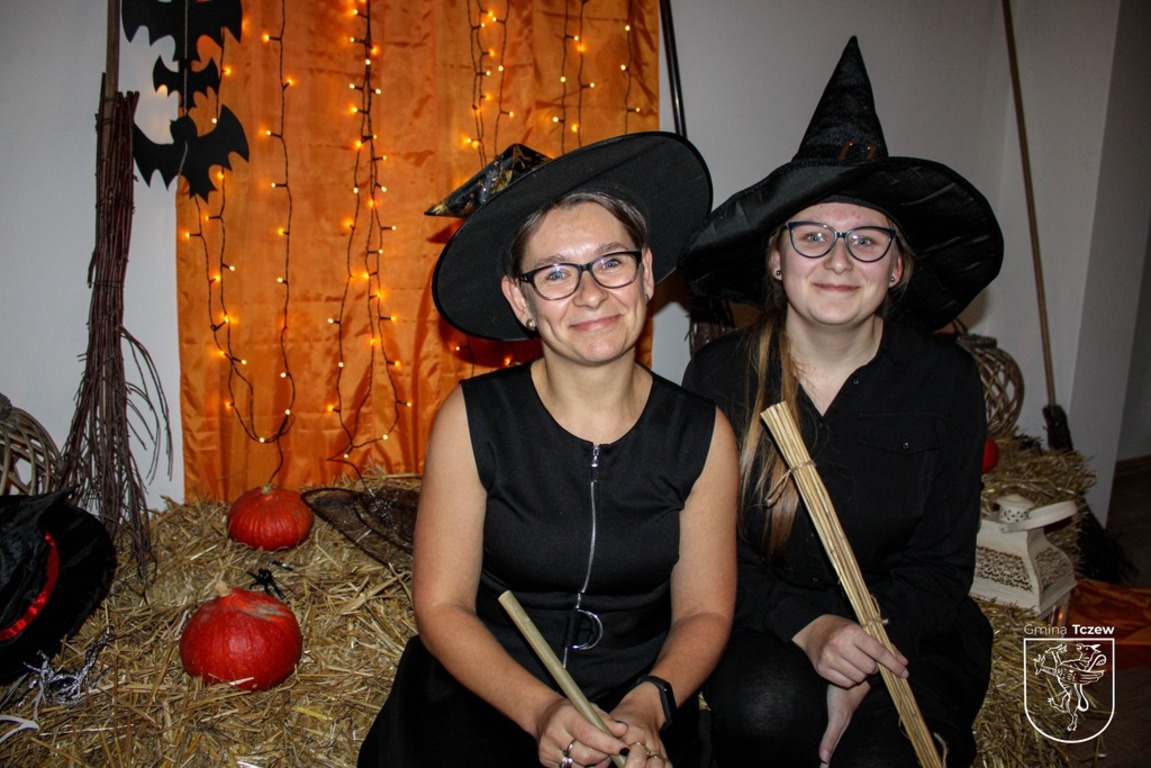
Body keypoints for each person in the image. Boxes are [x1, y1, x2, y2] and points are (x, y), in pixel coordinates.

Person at [358, 132, 738, 768]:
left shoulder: (702, 434)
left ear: (646, 273)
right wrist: (540, 709)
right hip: (486, 693)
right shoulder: (473, 419)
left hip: (635, 706)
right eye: (556, 273)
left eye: (611, 262)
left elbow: (703, 612)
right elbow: (443, 606)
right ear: (521, 300)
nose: (590, 294)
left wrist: (649, 704)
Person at [678, 38, 1003, 767]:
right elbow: (706, 555)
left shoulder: (945, 381)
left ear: (897, 267)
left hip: (909, 624)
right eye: (812, 236)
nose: (836, 259)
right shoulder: (718, 377)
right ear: (774, 257)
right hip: (768, 617)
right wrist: (811, 627)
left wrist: (867, 651)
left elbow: (942, 563)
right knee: (766, 712)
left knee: (886, 758)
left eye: (865, 240)